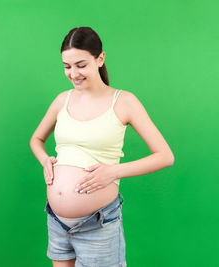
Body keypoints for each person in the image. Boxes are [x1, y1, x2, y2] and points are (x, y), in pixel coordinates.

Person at [29, 26, 175, 267]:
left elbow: (165, 156)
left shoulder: (124, 101)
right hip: (56, 221)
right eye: (67, 66)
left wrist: (113, 171)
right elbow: (36, 140)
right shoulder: (61, 101)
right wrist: (45, 159)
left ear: (100, 58)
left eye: (81, 65)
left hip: (98, 224)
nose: (73, 73)